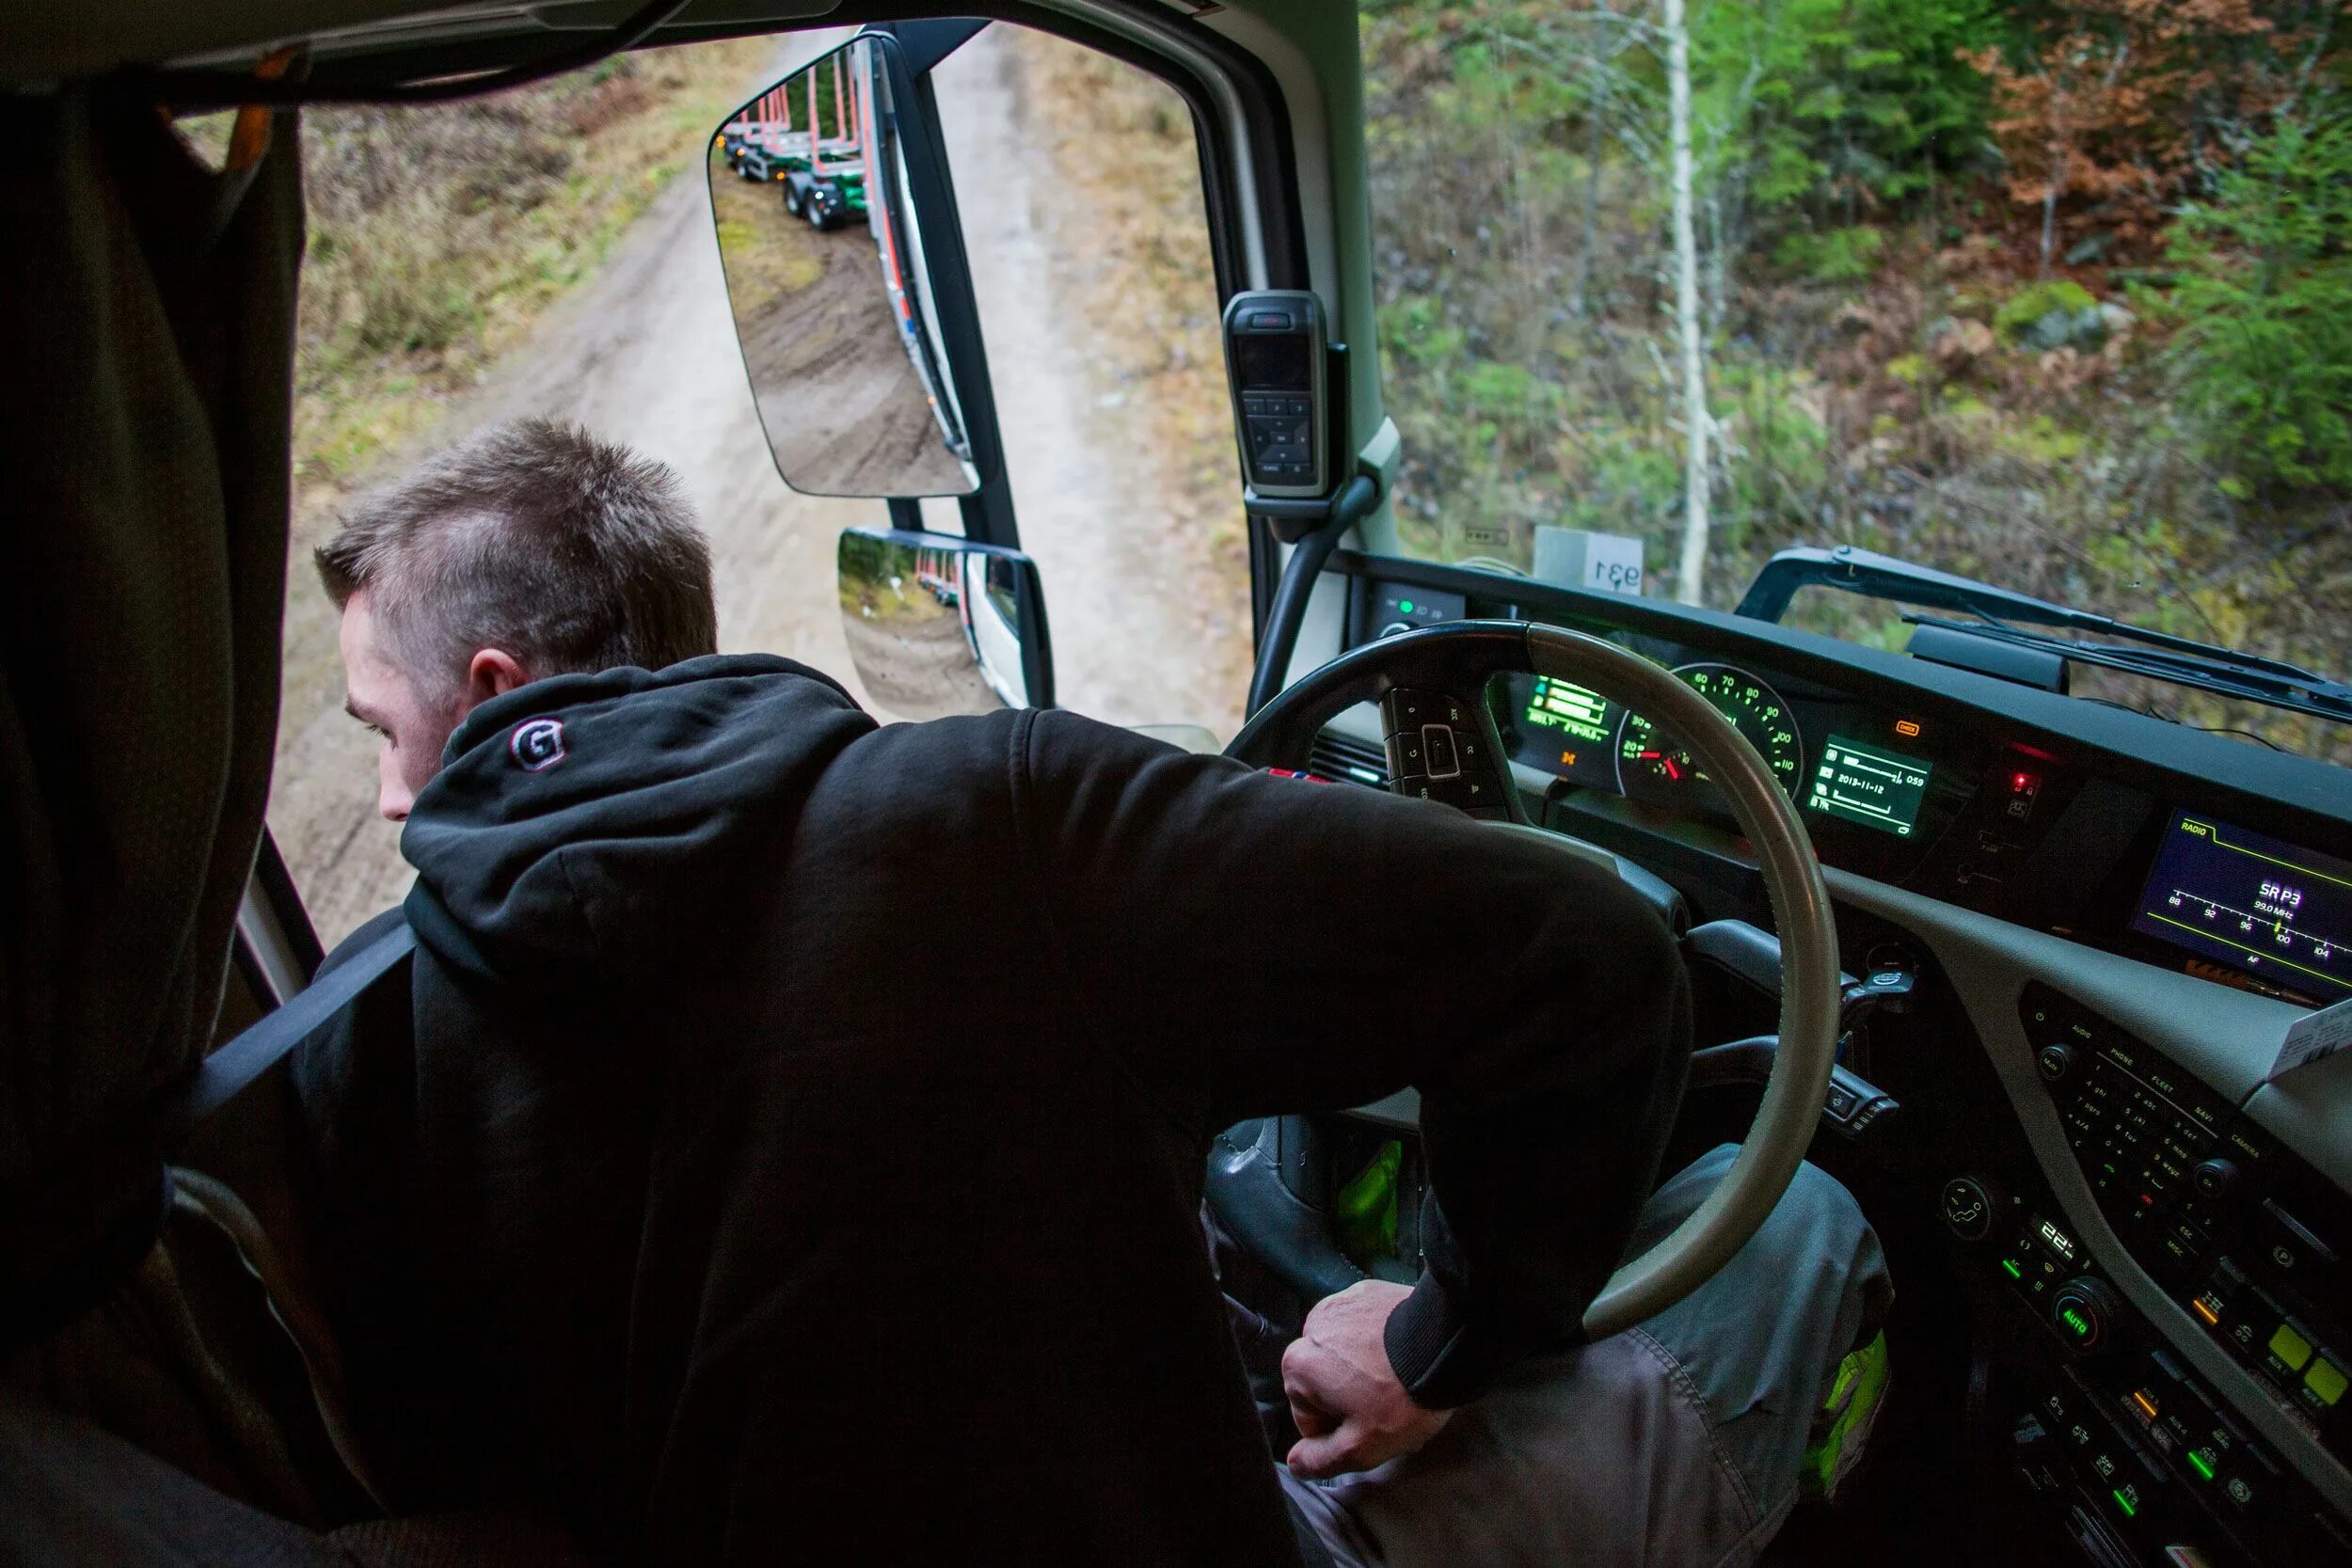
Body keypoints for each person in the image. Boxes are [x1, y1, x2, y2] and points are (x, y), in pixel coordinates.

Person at [298, 418, 1890, 1566]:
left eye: (380, 727)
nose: (387, 800)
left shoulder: (381, 1015)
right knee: (1802, 1223)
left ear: (499, 693)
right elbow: (1590, 963)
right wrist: (1436, 1338)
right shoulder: (993, 819)